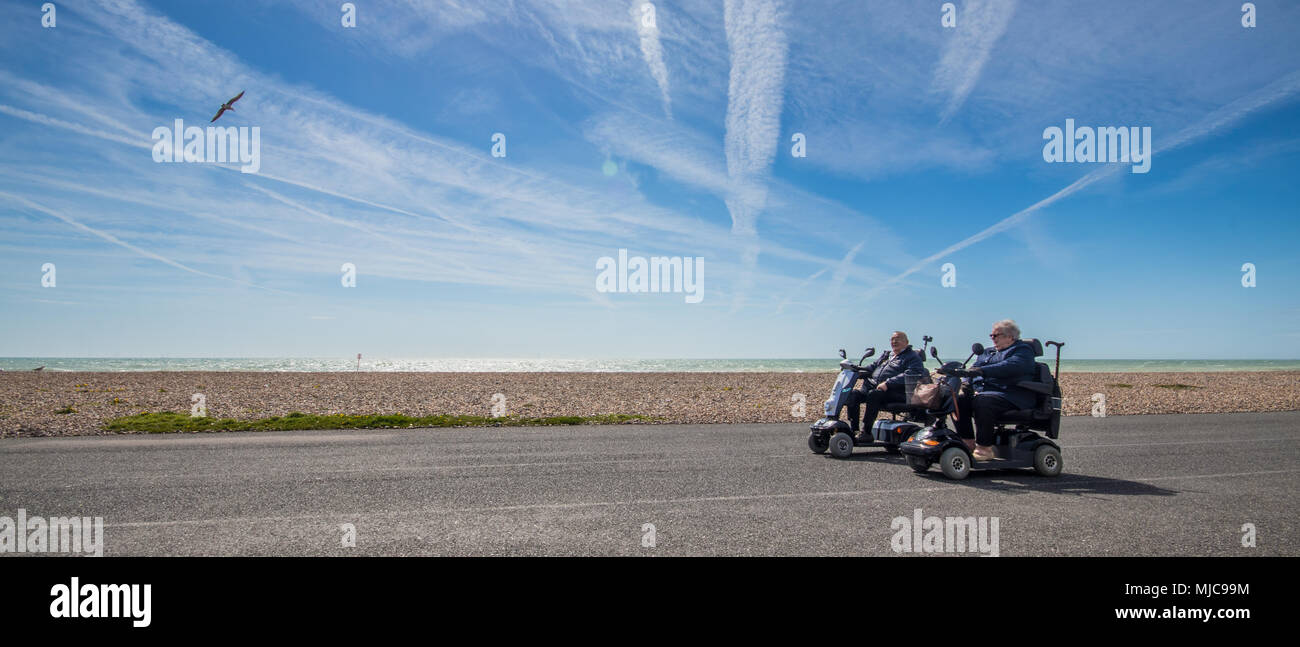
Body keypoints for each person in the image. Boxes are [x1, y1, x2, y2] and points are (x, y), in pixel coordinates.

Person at [953, 319, 1038, 459]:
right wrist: (966, 382)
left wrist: (982, 371)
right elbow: (972, 369)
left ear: (1010, 337)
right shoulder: (987, 352)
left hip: (1011, 395)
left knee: (984, 401)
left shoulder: (1022, 350)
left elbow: (1012, 365)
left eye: (996, 335)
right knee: (958, 400)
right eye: (991, 336)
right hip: (986, 393)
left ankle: (984, 448)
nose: (992, 339)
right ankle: (967, 442)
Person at [845, 331, 926, 439]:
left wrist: (888, 383)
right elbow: (873, 367)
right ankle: (854, 430)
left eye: (898, 339)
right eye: (892, 339)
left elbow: (913, 373)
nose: (894, 341)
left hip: (898, 392)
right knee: (853, 394)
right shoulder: (888, 355)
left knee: (874, 394)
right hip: (876, 388)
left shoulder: (912, 357)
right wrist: (857, 370)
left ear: (906, 342)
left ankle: (866, 432)